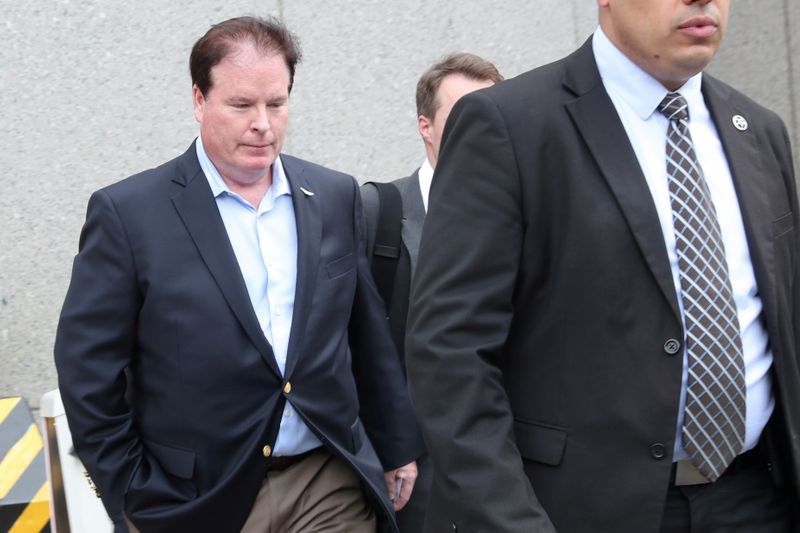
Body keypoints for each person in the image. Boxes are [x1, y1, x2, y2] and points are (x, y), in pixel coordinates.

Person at [406, 0, 800, 531]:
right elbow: (450, 355)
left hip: (758, 498)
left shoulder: (760, 130)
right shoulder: (509, 127)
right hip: (582, 511)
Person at [54, 15, 423, 533]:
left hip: (325, 478)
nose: (264, 124)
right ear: (199, 100)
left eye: (277, 103)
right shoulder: (129, 214)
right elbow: (87, 370)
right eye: (242, 105)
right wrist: (131, 490)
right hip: (196, 498)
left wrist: (395, 445)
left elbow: (364, 335)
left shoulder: (334, 195)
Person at [360, 53, 502, 533]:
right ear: (425, 124)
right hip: (413, 471)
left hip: (508, 465)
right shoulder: (377, 211)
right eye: (463, 115)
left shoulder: (529, 214)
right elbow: (355, 345)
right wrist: (390, 447)